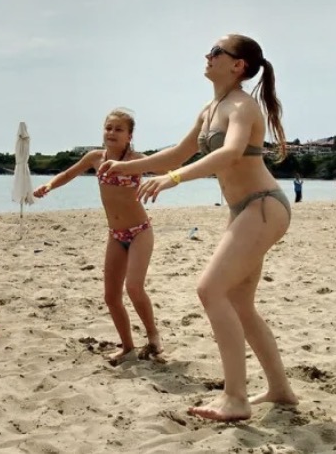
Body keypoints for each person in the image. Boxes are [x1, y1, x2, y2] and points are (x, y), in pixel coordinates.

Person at [101, 34, 296, 422]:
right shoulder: (210, 110)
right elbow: (176, 153)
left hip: (263, 205)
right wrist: (125, 166)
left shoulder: (242, 105)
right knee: (240, 303)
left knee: (210, 289)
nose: (208, 56)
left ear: (237, 65)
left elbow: (231, 152)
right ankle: (279, 389)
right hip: (243, 210)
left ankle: (235, 398)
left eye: (216, 52)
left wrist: (174, 178)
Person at [33, 109, 162, 365]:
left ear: (129, 136)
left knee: (134, 287)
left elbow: (167, 167)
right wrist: (49, 185)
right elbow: (68, 174)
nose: (112, 133)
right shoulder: (95, 157)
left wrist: (163, 180)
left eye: (119, 129)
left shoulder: (136, 159)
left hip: (140, 232)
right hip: (116, 235)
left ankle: (153, 335)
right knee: (111, 297)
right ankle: (127, 347)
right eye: (108, 128)